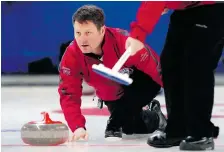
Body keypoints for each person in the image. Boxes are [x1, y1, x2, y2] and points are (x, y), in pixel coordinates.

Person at [58, 5, 167, 141]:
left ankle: (113, 124)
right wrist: (78, 127)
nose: (82, 40)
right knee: (131, 128)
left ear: (102, 30)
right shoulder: (71, 56)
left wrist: (182, 108)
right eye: (78, 33)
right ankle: (156, 116)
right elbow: (68, 93)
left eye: (88, 33)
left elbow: (159, 71)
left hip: (141, 82)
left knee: (125, 109)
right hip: (111, 91)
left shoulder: (125, 42)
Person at [125, 1, 223, 151]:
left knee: (196, 67)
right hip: (184, 11)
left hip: (212, 9)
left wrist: (139, 33)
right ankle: (178, 128)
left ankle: (200, 133)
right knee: (171, 64)